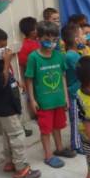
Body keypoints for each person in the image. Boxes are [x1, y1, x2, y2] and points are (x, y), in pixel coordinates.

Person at [0, 25, 41, 178]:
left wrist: (17, 81)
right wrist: (7, 62)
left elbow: (8, 78)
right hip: (5, 106)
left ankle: (10, 162)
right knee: (17, 135)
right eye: (0, 47)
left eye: (5, 45)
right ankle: (22, 168)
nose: (5, 50)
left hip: (9, 103)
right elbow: (1, 82)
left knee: (9, 134)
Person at [25, 21, 76, 168]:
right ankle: (48, 155)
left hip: (59, 99)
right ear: (38, 38)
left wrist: (66, 97)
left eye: (54, 40)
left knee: (58, 126)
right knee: (46, 129)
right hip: (44, 102)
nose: (51, 43)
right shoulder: (33, 58)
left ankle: (59, 149)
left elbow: (63, 77)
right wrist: (32, 100)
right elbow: (29, 79)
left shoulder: (59, 56)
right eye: (47, 40)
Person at [61, 24, 84, 154]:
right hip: (74, 93)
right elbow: (82, 73)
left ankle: (80, 141)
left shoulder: (73, 54)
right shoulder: (72, 56)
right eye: (82, 35)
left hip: (77, 92)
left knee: (79, 118)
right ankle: (76, 144)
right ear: (76, 40)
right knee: (76, 119)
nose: (84, 37)